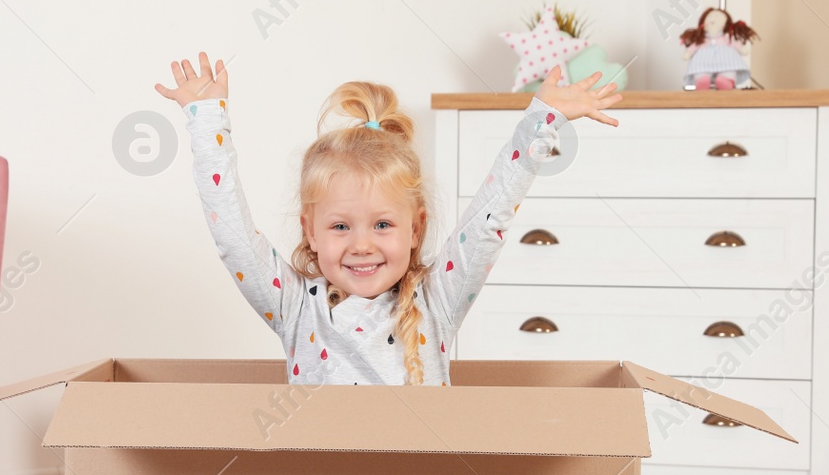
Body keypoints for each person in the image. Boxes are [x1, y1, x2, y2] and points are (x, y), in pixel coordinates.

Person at [154, 52, 621, 385]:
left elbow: (489, 217)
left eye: (382, 225)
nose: (361, 245)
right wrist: (206, 123)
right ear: (309, 233)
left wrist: (540, 123)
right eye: (340, 226)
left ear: (415, 229)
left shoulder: (437, 300)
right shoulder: (297, 307)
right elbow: (233, 236)